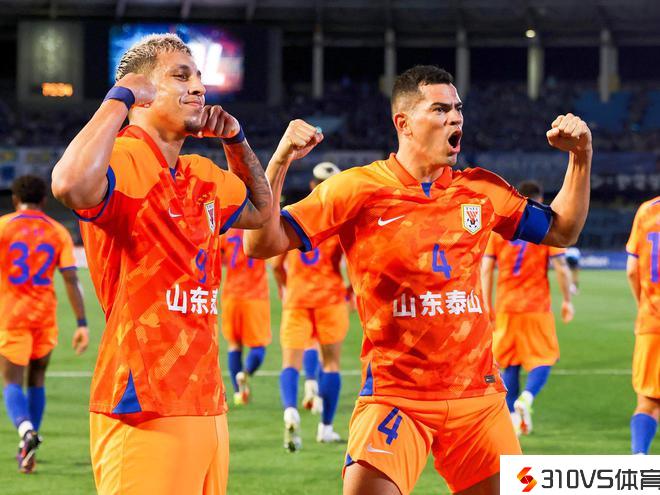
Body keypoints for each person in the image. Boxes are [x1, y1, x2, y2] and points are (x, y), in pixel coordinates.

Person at [244, 65, 592, 495]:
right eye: (441, 109)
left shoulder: (481, 190)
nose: (455, 117)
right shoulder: (356, 189)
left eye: (458, 109)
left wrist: (581, 155)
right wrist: (280, 161)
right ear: (404, 123)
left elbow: (562, 231)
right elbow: (262, 243)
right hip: (396, 396)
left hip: (476, 399)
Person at [50, 33, 271, 494]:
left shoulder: (198, 174)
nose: (199, 88)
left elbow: (261, 211)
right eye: (181, 76)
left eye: (199, 78)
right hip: (144, 402)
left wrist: (235, 140)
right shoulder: (124, 157)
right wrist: (119, 98)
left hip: (206, 400)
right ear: (143, 90)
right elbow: (70, 184)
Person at [0, 174, 89, 473]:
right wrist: (82, 323)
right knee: (37, 379)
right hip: (44, 316)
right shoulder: (57, 231)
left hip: (11, 315)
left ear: (15, 199)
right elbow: (71, 279)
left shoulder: (3, 227)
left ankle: (26, 431)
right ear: (44, 200)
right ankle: (28, 450)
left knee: (12, 381)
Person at [481, 180, 575, 436]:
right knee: (545, 357)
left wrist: (486, 304)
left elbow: (486, 269)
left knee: (508, 362)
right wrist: (567, 300)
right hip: (536, 306)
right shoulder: (545, 225)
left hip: (506, 306)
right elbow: (561, 267)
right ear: (538, 199)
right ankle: (527, 397)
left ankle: (514, 417)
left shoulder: (499, 228)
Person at [271, 161, 352, 450]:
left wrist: (284, 287)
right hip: (330, 299)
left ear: (311, 185)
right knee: (331, 364)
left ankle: (290, 411)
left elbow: (276, 264)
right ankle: (325, 428)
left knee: (290, 362)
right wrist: (351, 290)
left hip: (297, 298)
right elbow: (355, 262)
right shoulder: (339, 222)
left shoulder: (295, 213)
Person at [220, 227, 271, 405]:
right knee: (258, 346)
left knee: (234, 345)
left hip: (231, 295)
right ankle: (246, 372)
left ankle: (238, 393)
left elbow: (219, 258)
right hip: (255, 296)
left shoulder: (228, 231)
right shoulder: (259, 228)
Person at [626, 196, 660, 455]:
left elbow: (631, 270)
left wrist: (644, 306)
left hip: (651, 322)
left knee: (648, 402)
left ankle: (639, 457)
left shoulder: (647, 210)